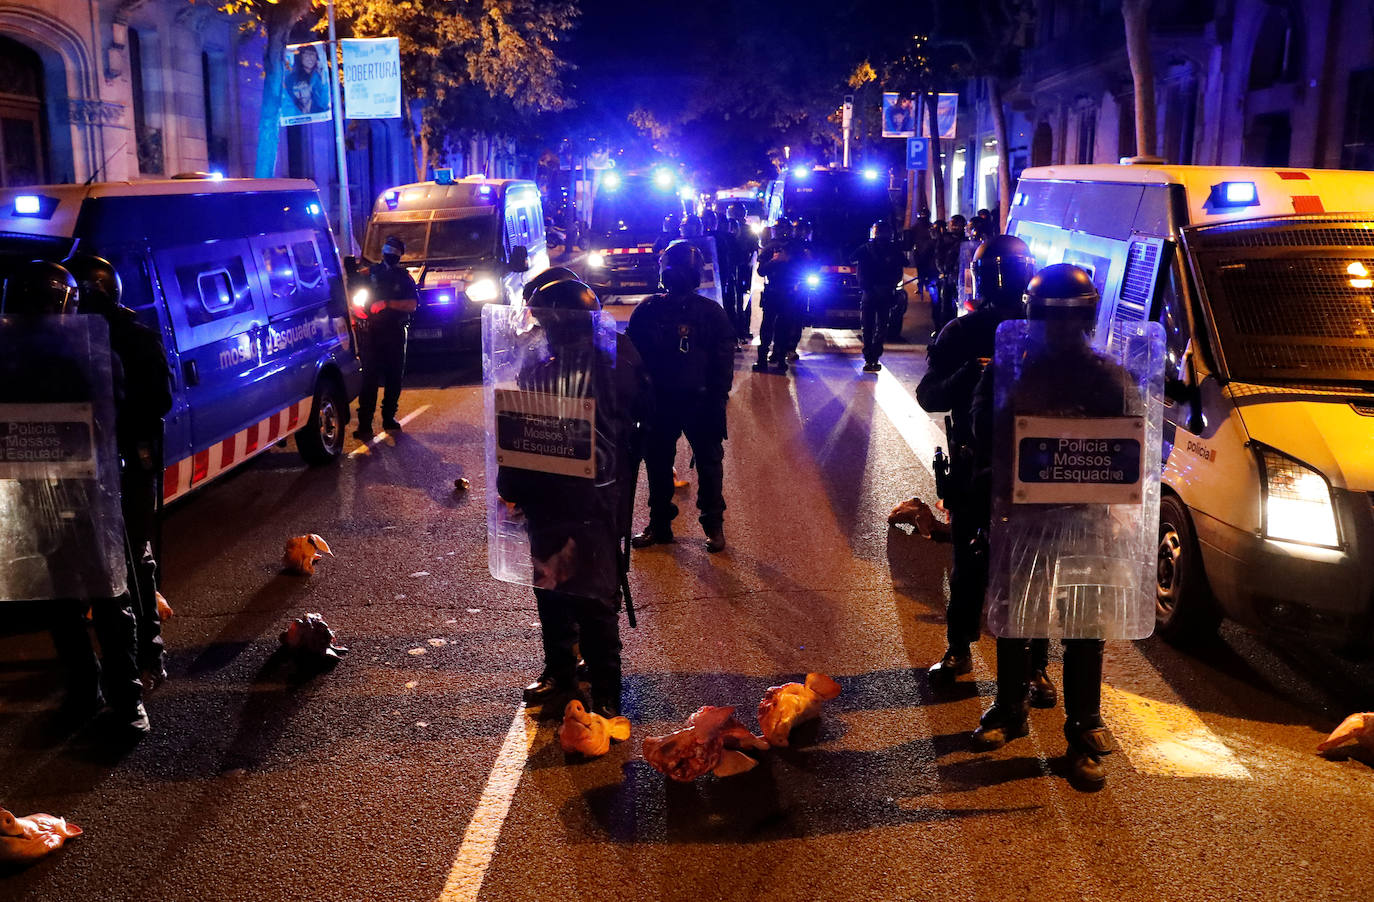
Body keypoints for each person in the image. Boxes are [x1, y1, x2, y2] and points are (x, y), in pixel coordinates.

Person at [970, 264, 1137, 790]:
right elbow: (984, 432)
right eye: (1049, 321)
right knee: (1018, 616)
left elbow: (1141, 444)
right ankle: (1009, 708)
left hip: (1087, 518)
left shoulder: (1109, 378)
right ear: (1033, 319)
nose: (1059, 331)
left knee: (1085, 629)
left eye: (1069, 322)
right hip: (1027, 513)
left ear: (1086, 321)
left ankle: (1083, 730)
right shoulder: (1011, 372)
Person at [0, 261, 149, 735]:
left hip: (93, 493)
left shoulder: (93, 353)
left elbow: (116, 414)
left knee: (106, 594)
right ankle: (89, 690)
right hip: (39, 489)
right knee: (64, 596)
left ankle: (125, 698)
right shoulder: (10, 359)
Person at [499, 277, 651, 719]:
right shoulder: (600, 357)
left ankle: (603, 687)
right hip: (562, 496)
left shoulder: (605, 360)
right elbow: (524, 433)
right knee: (554, 585)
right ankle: (564, 672)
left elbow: (641, 417)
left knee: (591, 592)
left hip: (592, 495)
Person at [915, 234, 1052, 705]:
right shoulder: (963, 332)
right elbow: (930, 396)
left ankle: (1035, 666)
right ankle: (959, 649)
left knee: (1034, 569)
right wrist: (973, 372)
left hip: (1033, 467)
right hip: (976, 465)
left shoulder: (1047, 329)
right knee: (971, 563)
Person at [67, 254, 174, 686]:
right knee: (133, 559)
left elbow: (156, 402)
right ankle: (144, 652)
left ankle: (142, 652)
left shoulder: (123, 337)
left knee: (129, 559)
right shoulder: (118, 335)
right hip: (107, 465)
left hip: (119, 464)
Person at [627, 240, 736, 553]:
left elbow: (722, 363)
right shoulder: (648, 310)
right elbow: (632, 357)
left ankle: (713, 524)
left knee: (709, 463)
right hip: (659, 400)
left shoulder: (710, 314)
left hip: (700, 401)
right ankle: (660, 524)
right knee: (658, 463)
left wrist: (717, 401)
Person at [353, 236, 419, 440]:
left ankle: (389, 417)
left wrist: (387, 303)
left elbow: (412, 304)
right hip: (371, 332)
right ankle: (365, 423)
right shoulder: (369, 274)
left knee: (393, 378)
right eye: (387, 248)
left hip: (394, 332)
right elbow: (355, 297)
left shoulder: (403, 277)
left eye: (394, 250)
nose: (389, 253)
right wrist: (358, 310)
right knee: (369, 378)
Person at [755, 221, 809, 372]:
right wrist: (774, 261)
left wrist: (789, 261)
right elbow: (761, 271)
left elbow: (804, 269)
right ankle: (762, 359)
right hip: (772, 291)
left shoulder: (796, 248)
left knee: (784, 326)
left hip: (788, 292)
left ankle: (780, 358)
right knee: (767, 326)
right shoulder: (769, 248)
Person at [852, 220, 906, 372]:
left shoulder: (867, 248)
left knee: (869, 327)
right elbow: (905, 262)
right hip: (883, 292)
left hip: (871, 293)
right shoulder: (892, 249)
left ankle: (870, 357)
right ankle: (873, 356)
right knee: (880, 327)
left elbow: (851, 258)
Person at [728, 203, 759, 341]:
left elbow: (754, 250)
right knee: (733, 300)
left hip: (744, 269)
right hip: (730, 268)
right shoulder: (728, 230)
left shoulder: (748, 230)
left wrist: (747, 260)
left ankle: (744, 329)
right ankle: (735, 329)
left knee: (745, 299)